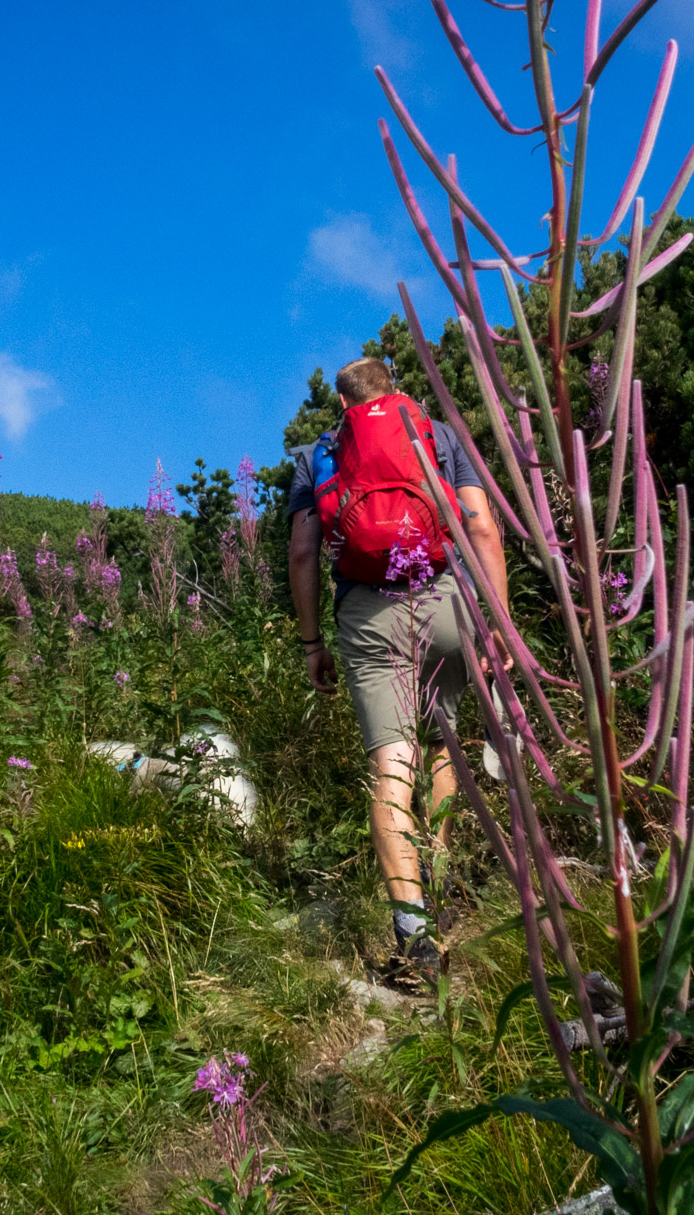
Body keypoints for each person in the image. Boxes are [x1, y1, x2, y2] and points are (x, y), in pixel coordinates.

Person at [286, 357, 509, 970]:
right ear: (398, 392)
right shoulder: (438, 436)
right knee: (444, 748)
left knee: (392, 767)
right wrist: (497, 630)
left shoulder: (317, 454)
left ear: (342, 405)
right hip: (446, 602)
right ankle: (436, 878)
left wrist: (313, 645)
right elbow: (482, 528)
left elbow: (304, 554)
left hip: (368, 613)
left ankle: (412, 931)